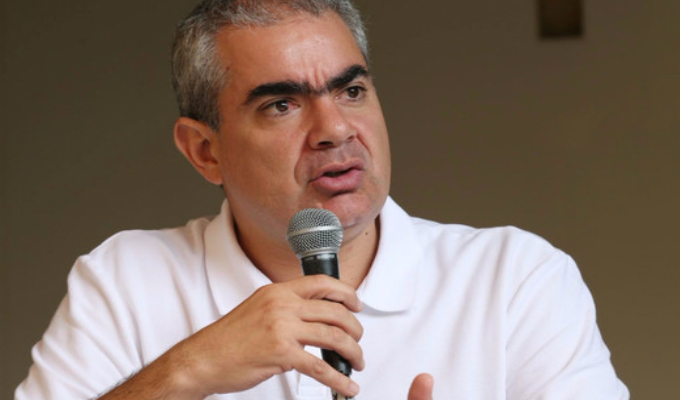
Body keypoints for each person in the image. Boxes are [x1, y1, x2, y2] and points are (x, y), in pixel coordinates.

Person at [15, 0, 629, 399]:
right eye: (281, 104)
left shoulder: (516, 278)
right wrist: (185, 371)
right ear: (205, 151)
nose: (335, 129)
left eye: (351, 90)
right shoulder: (123, 280)